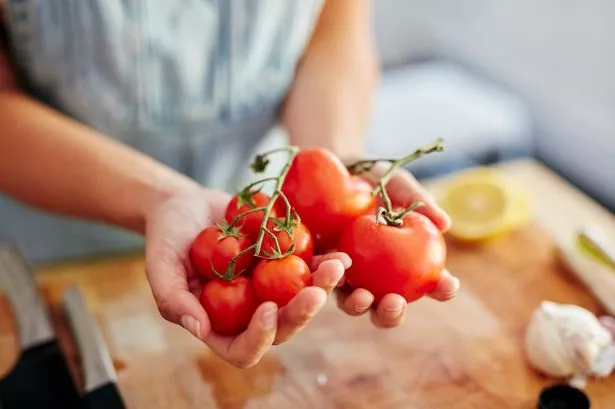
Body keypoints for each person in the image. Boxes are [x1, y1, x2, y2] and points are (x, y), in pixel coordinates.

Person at [0, 0, 459, 368]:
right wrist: (158, 197)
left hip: (259, 221)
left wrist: (331, 160)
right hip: (58, 255)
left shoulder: (271, 241)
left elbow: (333, 33)